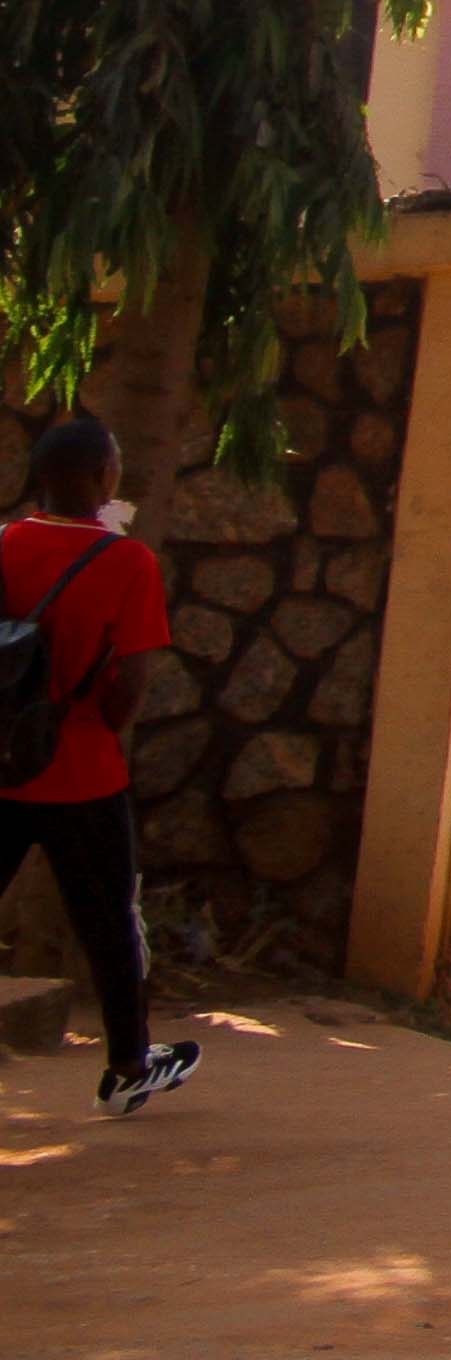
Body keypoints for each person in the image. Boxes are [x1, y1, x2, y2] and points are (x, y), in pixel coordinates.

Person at [1, 417, 195, 1118]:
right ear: (104, 477)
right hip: (82, 772)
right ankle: (126, 1066)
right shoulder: (128, 561)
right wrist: (95, 723)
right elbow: (131, 684)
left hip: (4, 768)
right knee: (110, 921)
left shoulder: (7, 543)